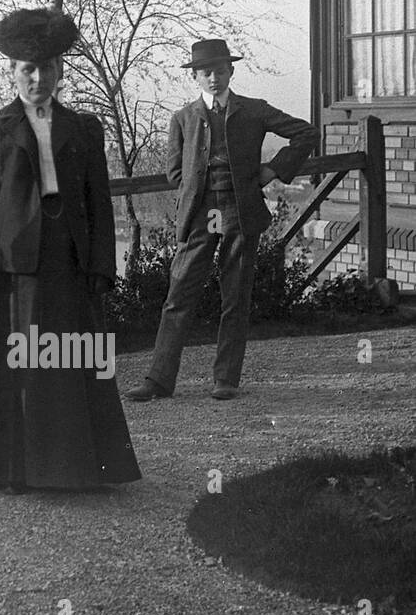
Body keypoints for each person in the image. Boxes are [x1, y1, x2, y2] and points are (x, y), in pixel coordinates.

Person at [0, 8, 141, 491]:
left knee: (69, 360)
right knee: (18, 364)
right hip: (12, 267)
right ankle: (14, 470)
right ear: (12, 72)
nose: (38, 78)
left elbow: (98, 201)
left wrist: (101, 265)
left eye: (47, 68)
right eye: (28, 69)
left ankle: (74, 467)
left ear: (59, 72)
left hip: (67, 259)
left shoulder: (85, 128)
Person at [127, 39, 317, 402]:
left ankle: (225, 379)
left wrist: (273, 169)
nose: (213, 77)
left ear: (231, 71)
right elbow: (173, 172)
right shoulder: (183, 118)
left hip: (240, 210)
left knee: (235, 296)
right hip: (200, 214)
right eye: (206, 72)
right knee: (179, 294)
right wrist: (198, 189)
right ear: (196, 76)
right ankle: (158, 380)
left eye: (219, 70)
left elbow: (306, 132)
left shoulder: (254, 110)